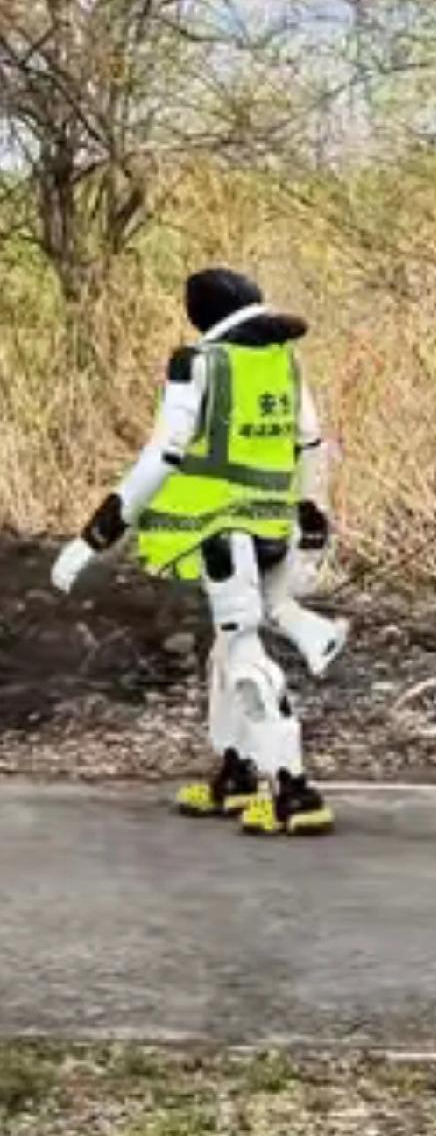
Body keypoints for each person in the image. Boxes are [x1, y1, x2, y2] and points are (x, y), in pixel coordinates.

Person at [51, 268, 348, 835]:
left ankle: (293, 791)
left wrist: (97, 535)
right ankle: (236, 774)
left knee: (243, 657)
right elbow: (309, 443)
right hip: (273, 526)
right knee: (225, 650)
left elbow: (163, 455)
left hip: (220, 533)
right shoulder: (282, 361)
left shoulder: (198, 366)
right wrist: (313, 515)